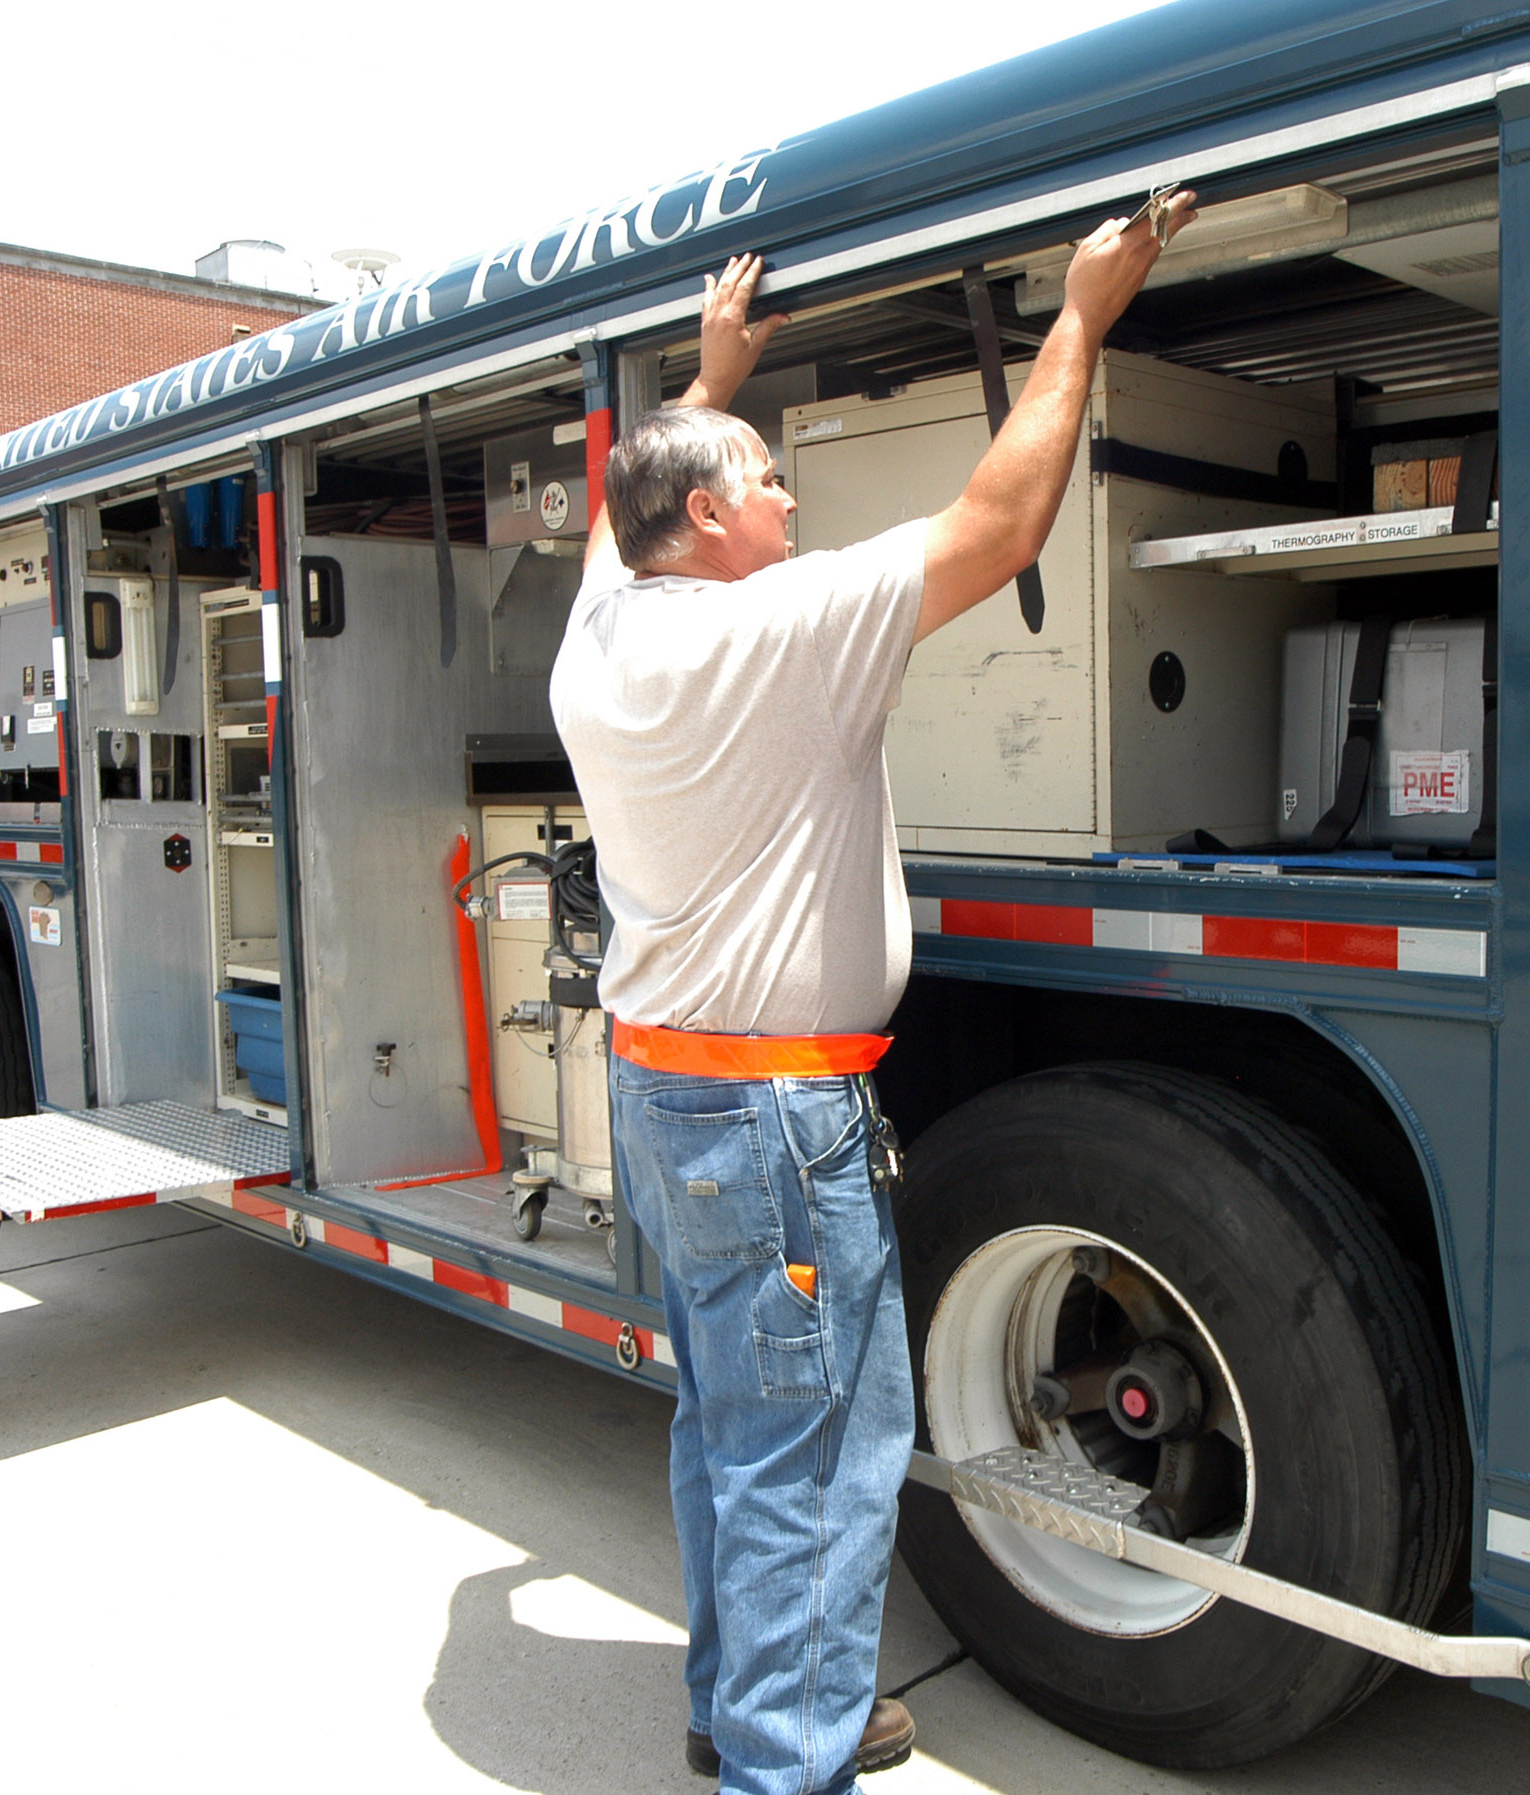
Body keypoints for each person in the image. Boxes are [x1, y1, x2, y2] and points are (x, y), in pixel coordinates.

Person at [549, 191, 1197, 1795]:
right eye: (763, 479)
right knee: (820, 1460)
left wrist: (705, 380)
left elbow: (614, 513)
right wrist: (1080, 318)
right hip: (772, 1121)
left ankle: (746, 1712)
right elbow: (1000, 528)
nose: (786, 495)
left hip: (664, 1091)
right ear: (705, 528)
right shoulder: (775, 629)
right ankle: (790, 1766)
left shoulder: (605, 634)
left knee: (730, 1427)